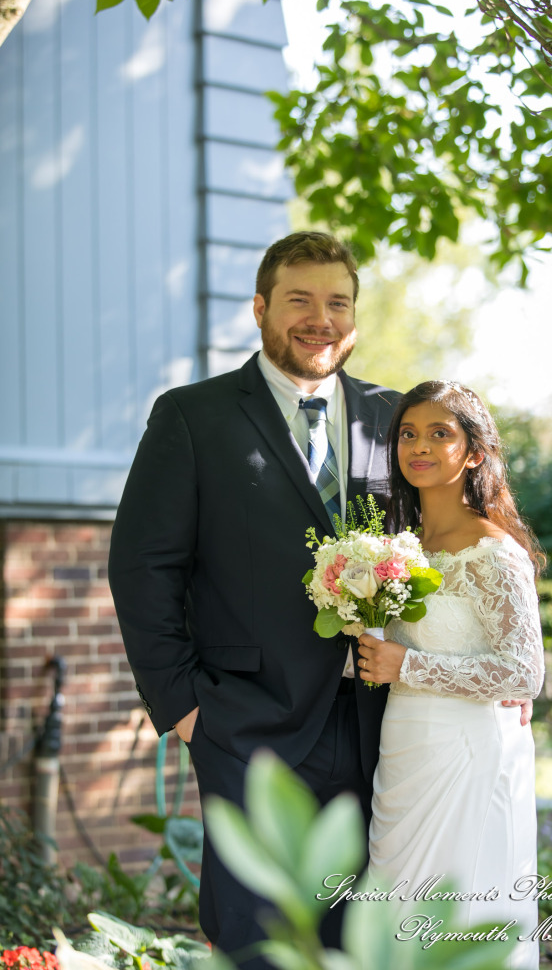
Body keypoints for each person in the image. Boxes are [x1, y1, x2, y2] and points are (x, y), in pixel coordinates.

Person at [108, 232, 401, 961]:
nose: (320, 318)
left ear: (355, 317)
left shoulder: (392, 419)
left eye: (337, 301)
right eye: (299, 300)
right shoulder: (192, 416)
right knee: (256, 934)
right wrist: (181, 707)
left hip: (380, 722)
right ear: (260, 309)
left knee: (356, 936)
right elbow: (143, 567)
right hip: (246, 718)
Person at [357, 380, 545, 969]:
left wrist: (407, 665)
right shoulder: (400, 545)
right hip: (405, 743)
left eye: (441, 434)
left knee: (457, 905)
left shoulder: (493, 551)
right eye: (409, 434)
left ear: (474, 452)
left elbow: (523, 672)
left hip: (466, 750)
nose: (420, 446)